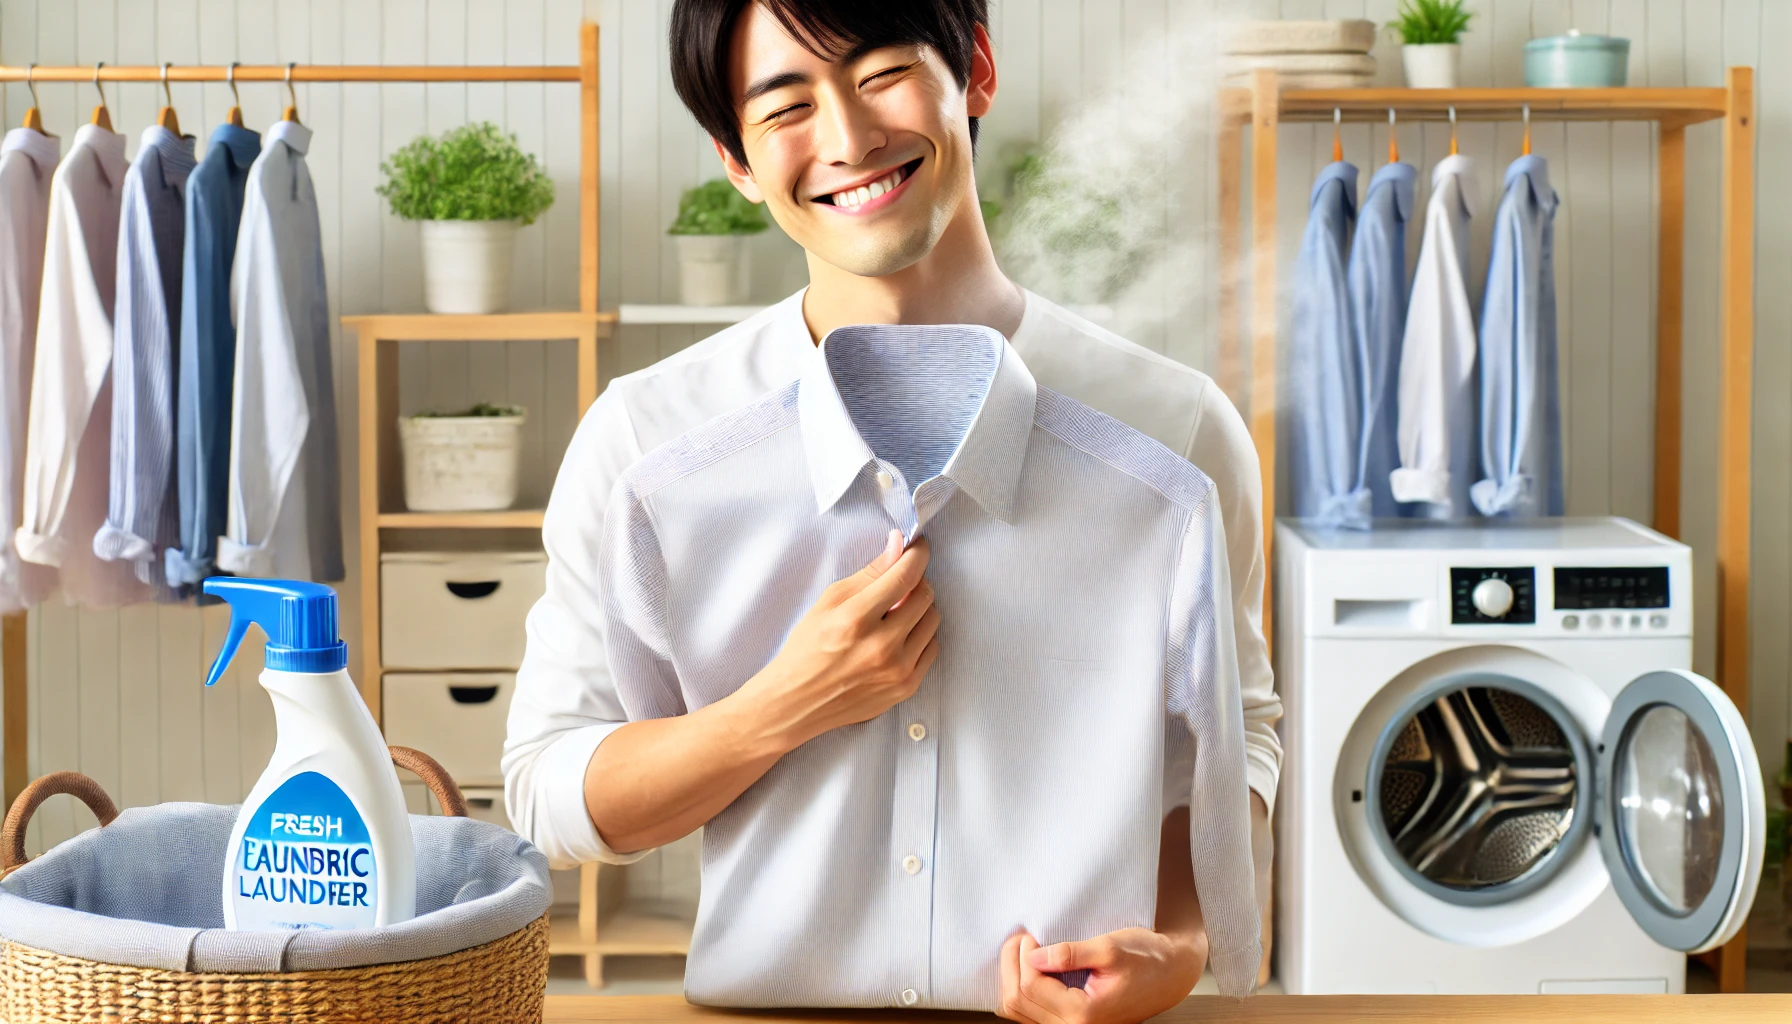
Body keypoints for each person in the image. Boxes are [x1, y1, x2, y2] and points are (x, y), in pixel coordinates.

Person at [503, 2, 1281, 1020]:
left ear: (978, 71)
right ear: (735, 158)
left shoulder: (1178, 437)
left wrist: (1176, 944)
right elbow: (549, 792)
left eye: (880, 75)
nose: (847, 137)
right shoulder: (644, 445)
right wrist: (778, 707)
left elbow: (1230, 736)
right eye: (784, 105)